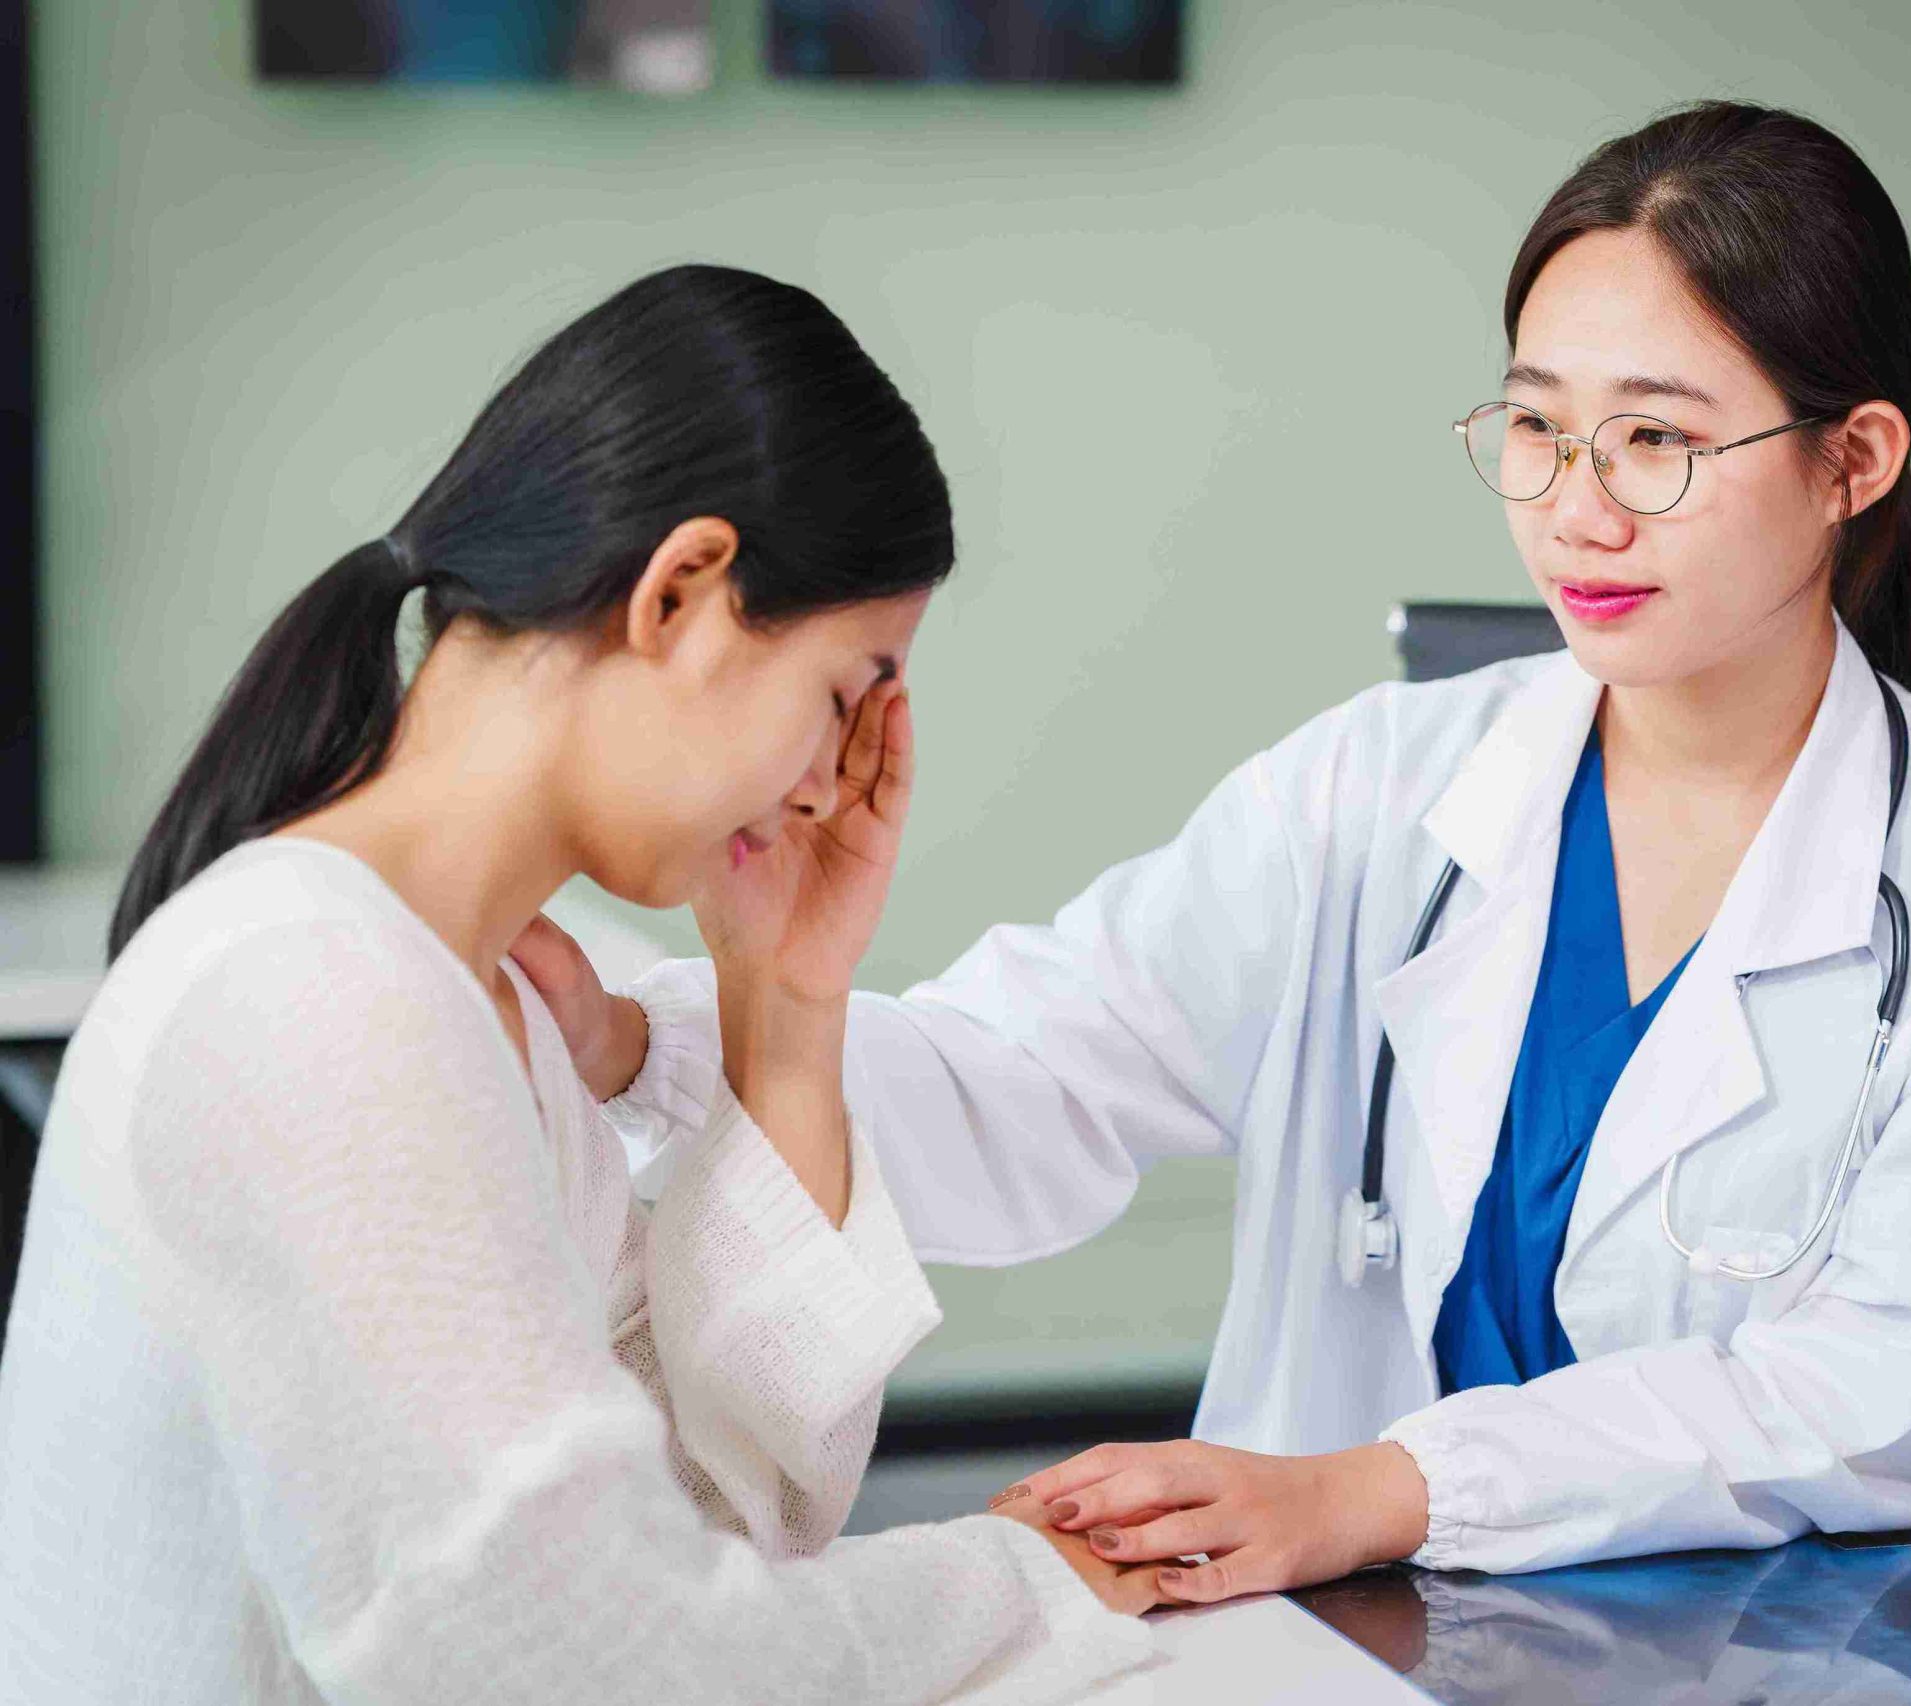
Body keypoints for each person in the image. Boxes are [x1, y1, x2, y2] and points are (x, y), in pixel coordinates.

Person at [544, 102, 1911, 1603]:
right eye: (1536, 427)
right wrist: (643, 1039)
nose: (1576, 512)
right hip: (1331, 1642)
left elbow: (1890, 1397)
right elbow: (1027, 1076)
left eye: (1655, 442)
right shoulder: (1378, 791)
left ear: (1852, 460)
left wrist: (1381, 1489)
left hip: (1766, 1656)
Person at [0, 265, 1161, 1705]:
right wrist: (1020, 1579)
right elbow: (623, 1670)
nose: (828, 785)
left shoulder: (484, 1005)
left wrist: (785, 1006)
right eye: (843, 695)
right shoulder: (314, 1004)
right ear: (681, 593)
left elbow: (706, 1534)